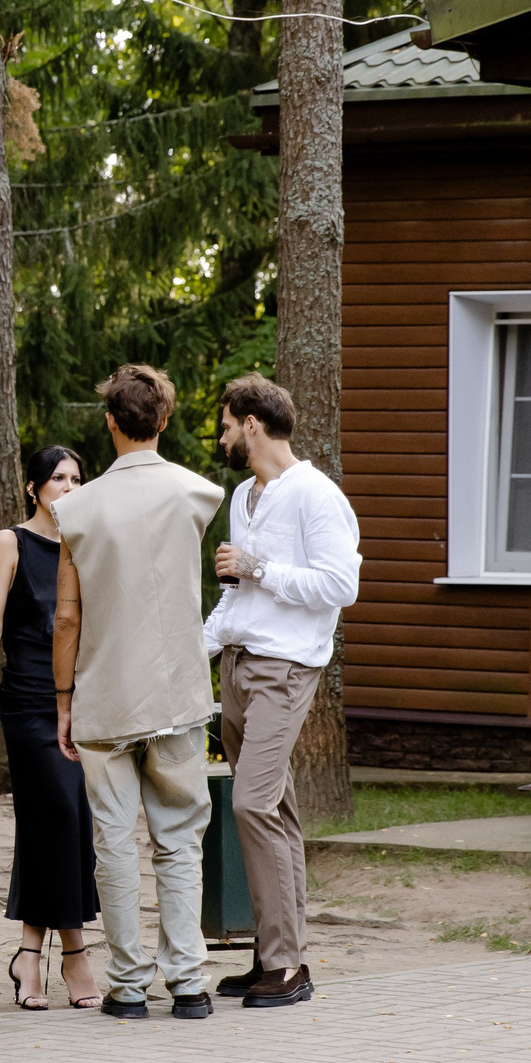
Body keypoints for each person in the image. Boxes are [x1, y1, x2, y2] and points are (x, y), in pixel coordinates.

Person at [48, 364, 226, 1022]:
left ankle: (126, 986)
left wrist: (63, 698)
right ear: (165, 419)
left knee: (116, 840)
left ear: (110, 423)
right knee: (180, 838)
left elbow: (67, 617)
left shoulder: (78, 506)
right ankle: (187, 981)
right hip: (178, 690)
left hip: (105, 693)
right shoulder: (197, 493)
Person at [201, 372, 362, 1010]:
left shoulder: (317, 495)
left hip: (285, 671)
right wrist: (198, 650)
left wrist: (257, 566)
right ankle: (278, 957)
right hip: (238, 665)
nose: (219, 435)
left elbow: (338, 587)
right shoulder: (244, 495)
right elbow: (236, 598)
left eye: (224, 423)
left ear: (252, 424)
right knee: (277, 813)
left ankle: (286, 966)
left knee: (250, 806)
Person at [0, 445, 104, 1010]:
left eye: (76, 479)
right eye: (56, 479)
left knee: (59, 826)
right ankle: (75, 956)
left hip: (80, 705)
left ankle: (28, 956)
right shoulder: (10, 542)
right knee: (61, 818)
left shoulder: (87, 547)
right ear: (33, 488)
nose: (67, 488)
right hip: (26, 703)